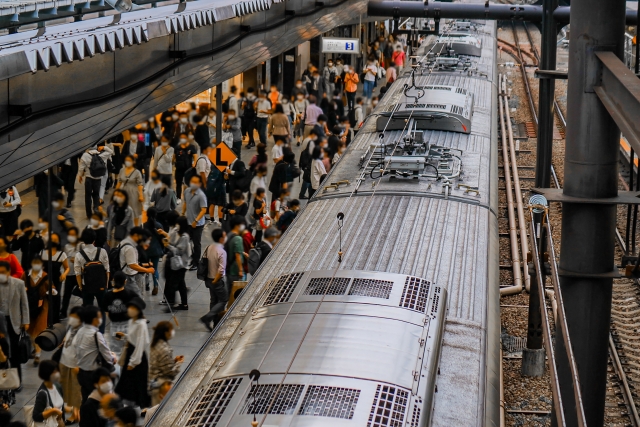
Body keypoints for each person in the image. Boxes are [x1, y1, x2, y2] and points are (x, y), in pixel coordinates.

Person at [74, 306, 116, 403]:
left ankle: (85, 416)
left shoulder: (80, 331)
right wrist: (113, 357)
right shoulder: (96, 335)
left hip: (82, 372)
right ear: (94, 320)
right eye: (99, 317)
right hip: (93, 374)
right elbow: (107, 356)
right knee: (97, 401)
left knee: (85, 399)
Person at [114, 297, 150, 409]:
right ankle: (120, 403)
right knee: (126, 380)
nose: (129, 310)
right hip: (130, 352)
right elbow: (133, 338)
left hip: (137, 356)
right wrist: (124, 336)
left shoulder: (141, 324)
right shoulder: (131, 321)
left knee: (140, 381)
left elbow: (140, 344)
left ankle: (143, 406)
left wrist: (134, 362)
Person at [0, 261, 28, 384]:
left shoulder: (19, 284)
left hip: (13, 322)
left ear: (9, 272)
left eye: (3, 272)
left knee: (15, 354)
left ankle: (17, 382)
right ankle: (3, 382)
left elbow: (24, 303)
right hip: (0, 322)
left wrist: (25, 321)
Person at [24, 256, 53, 366]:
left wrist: (50, 292)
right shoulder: (26, 275)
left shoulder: (45, 277)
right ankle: (35, 349)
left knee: (39, 330)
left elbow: (52, 289)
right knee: (31, 330)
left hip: (42, 307)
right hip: (28, 306)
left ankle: (37, 355)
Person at [75, 229, 110, 318]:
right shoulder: (102, 251)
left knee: (88, 310)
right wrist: (106, 285)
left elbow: (78, 273)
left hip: (87, 285)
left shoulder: (79, 255)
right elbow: (107, 270)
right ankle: (101, 331)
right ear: (94, 239)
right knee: (102, 310)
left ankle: (89, 329)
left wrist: (80, 286)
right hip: (101, 284)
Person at [159, 216, 190, 310]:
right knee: (181, 284)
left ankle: (171, 304)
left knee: (172, 284)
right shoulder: (176, 232)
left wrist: (168, 246)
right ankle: (184, 304)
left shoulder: (185, 237)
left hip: (181, 264)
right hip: (175, 262)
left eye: (178, 224)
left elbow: (179, 251)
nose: (177, 226)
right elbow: (171, 240)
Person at [199, 229, 227, 331]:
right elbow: (221, 269)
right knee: (224, 299)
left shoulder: (209, 247)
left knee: (213, 300)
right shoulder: (221, 251)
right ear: (220, 238)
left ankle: (215, 322)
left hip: (208, 278)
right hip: (217, 280)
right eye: (224, 236)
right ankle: (208, 317)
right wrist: (216, 280)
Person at [58, 306, 83, 423]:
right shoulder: (71, 327)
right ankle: (72, 410)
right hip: (65, 362)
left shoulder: (84, 332)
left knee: (75, 391)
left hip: (75, 365)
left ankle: (76, 414)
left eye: (75, 316)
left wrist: (79, 365)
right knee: (66, 389)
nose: (72, 318)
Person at [149, 321, 183, 405]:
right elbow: (170, 372)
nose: (172, 332)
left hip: (153, 381)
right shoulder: (165, 350)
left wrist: (173, 361)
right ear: (166, 332)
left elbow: (161, 363)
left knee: (155, 406)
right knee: (160, 409)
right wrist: (178, 363)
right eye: (171, 330)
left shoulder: (155, 343)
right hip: (162, 386)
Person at [78, 143, 114, 219]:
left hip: (89, 179)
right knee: (96, 195)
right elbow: (111, 152)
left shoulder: (85, 155)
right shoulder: (101, 155)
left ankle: (89, 214)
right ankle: (96, 209)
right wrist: (104, 147)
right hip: (98, 179)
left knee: (88, 196)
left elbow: (81, 168)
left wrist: (80, 176)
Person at [103, 271, 135, 355]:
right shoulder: (130, 294)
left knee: (115, 352)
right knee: (130, 351)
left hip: (114, 326)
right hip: (128, 325)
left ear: (113, 281)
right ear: (125, 281)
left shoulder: (107, 295)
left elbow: (107, 312)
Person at [119, 227, 155, 296]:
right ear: (135, 235)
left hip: (124, 273)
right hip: (128, 276)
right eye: (141, 236)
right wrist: (147, 270)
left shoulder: (124, 242)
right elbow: (132, 265)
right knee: (137, 297)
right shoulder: (130, 248)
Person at [32, 360, 68, 426]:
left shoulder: (58, 386)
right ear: (47, 373)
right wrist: (53, 411)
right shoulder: (42, 394)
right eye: (55, 371)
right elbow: (36, 416)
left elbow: (61, 407)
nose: (58, 373)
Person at [183, 175, 207, 269]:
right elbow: (185, 203)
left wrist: (196, 220)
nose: (193, 183)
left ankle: (196, 263)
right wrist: (182, 213)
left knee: (196, 243)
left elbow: (203, 210)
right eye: (192, 181)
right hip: (188, 221)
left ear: (199, 184)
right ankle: (192, 259)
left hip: (198, 224)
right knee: (187, 241)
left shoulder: (201, 195)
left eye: (195, 182)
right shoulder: (187, 191)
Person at [116, 155, 144, 226]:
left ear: (133, 162)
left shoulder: (137, 172)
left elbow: (140, 184)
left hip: (134, 193)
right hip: (124, 192)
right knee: (123, 210)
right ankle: (125, 226)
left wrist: (141, 195)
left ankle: (136, 227)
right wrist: (116, 192)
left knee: (135, 211)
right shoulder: (122, 170)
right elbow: (119, 182)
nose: (127, 162)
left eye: (129, 160)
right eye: (126, 160)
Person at [143, 208, 164, 295]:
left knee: (146, 268)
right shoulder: (159, 225)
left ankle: (147, 285)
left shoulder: (144, 225)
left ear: (147, 215)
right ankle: (155, 285)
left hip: (146, 251)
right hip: (156, 250)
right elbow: (162, 239)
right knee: (155, 269)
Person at [60, 227, 79, 319]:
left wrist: (77, 260)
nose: (71, 236)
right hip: (70, 274)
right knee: (66, 294)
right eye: (70, 235)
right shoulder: (67, 247)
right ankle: (63, 312)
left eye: (73, 234)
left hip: (79, 274)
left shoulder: (81, 245)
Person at [225, 216, 246, 293]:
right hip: (235, 270)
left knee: (230, 291)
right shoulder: (238, 238)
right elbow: (237, 255)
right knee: (235, 293)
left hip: (228, 267)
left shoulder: (229, 235)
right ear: (237, 225)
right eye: (242, 224)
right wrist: (240, 270)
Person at [174, 136, 198, 200]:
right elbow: (174, 157)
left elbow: (195, 155)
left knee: (188, 183)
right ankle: (178, 197)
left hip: (188, 169)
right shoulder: (177, 147)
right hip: (179, 168)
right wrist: (174, 162)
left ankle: (189, 197)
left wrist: (194, 163)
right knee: (178, 183)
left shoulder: (191, 147)